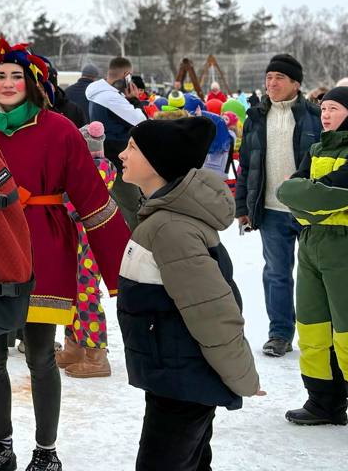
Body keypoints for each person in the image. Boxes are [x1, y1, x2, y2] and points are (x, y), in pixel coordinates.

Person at [0, 38, 131, 471]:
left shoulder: (60, 130)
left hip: (45, 245)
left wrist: (122, 270)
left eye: (15, 76)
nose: (7, 83)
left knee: (40, 355)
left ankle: (46, 451)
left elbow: (93, 199)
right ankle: (0, 442)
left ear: (34, 82)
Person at [117, 115, 262, 471]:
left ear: (157, 163)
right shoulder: (161, 217)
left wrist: (241, 376)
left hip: (184, 379)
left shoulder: (171, 229)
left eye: (132, 148)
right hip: (175, 373)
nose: (122, 154)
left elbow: (212, 311)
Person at [276, 85, 348, 446]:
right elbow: (288, 193)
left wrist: (312, 196)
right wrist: (312, 198)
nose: (325, 114)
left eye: (333, 108)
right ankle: (323, 402)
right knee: (311, 330)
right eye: (323, 108)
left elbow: (318, 193)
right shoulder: (317, 147)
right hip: (311, 244)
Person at [235, 53, 321, 356]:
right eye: (269, 78)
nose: (271, 83)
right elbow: (246, 164)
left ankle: (319, 334)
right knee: (276, 273)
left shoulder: (315, 115)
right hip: (271, 209)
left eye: (279, 78)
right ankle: (280, 334)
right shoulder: (256, 117)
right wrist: (243, 207)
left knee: (316, 275)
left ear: (295, 83)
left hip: (309, 211)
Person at [56, 121, 117, 379]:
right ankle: (75, 346)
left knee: (86, 294)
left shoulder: (90, 172)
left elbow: (71, 205)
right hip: (80, 242)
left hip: (88, 243)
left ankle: (95, 355)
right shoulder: (98, 168)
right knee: (74, 293)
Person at [86, 56, 147, 228]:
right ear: (127, 75)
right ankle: (141, 248)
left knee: (120, 209)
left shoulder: (98, 93)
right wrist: (135, 99)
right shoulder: (111, 98)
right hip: (120, 162)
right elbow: (143, 123)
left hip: (107, 159)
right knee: (134, 208)